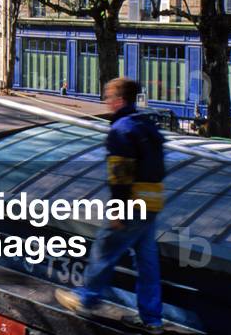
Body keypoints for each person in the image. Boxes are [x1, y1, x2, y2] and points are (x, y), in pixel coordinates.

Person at [55, 77, 166, 333]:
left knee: (105, 250)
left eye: (108, 97)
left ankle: (86, 298)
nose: (106, 101)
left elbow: (120, 174)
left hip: (132, 203)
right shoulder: (146, 124)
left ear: (119, 99)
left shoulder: (121, 129)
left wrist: (118, 209)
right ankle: (152, 319)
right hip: (153, 201)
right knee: (147, 262)